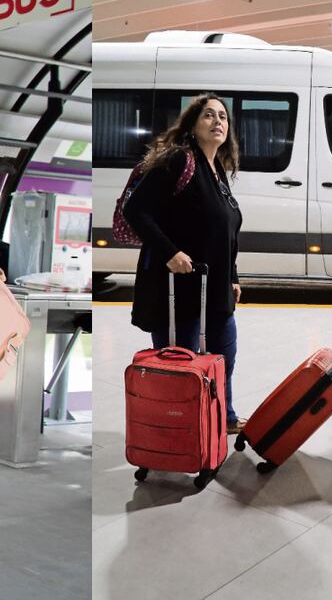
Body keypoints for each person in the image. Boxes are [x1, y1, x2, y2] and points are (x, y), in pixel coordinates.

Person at [123, 93, 247, 434]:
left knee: (223, 358)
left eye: (223, 116)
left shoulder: (218, 171)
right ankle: (176, 430)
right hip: (178, 291)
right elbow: (136, 209)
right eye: (208, 115)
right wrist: (169, 252)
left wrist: (233, 276)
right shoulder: (179, 160)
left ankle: (223, 417)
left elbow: (226, 231)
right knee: (179, 366)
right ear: (192, 125)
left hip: (214, 289)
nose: (218, 121)